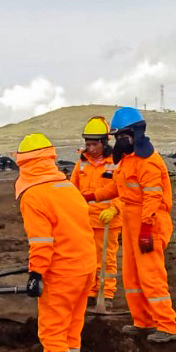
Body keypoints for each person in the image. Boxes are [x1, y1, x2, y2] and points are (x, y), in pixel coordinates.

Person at [85, 106, 176, 343]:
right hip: (130, 221)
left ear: (135, 133)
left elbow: (153, 197)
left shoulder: (148, 162)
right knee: (132, 276)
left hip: (149, 222)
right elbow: (117, 188)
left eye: (122, 136)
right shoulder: (127, 161)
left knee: (151, 276)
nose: (119, 141)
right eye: (117, 137)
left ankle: (168, 326)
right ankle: (144, 322)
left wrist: (147, 227)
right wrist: (91, 196)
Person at [16, 133, 95, 352]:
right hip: (86, 267)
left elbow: (41, 242)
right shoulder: (67, 186)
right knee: (72, 329)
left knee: (51, 332)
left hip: (62, 273)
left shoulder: (34, 195)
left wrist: (36, 274)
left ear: (23, 163)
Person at [70, 116, 121, 307]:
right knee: (87, 259)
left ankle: (106, 294)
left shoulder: (116, 162)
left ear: (104, 143)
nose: (90, 149)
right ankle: (91, 291)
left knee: (106, 259)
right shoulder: (81, 163)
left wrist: (114, 209)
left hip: (107, 220)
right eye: (87, 144)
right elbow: (72, 190)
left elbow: (124, 190)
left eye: (94, 144)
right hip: (85, 220)